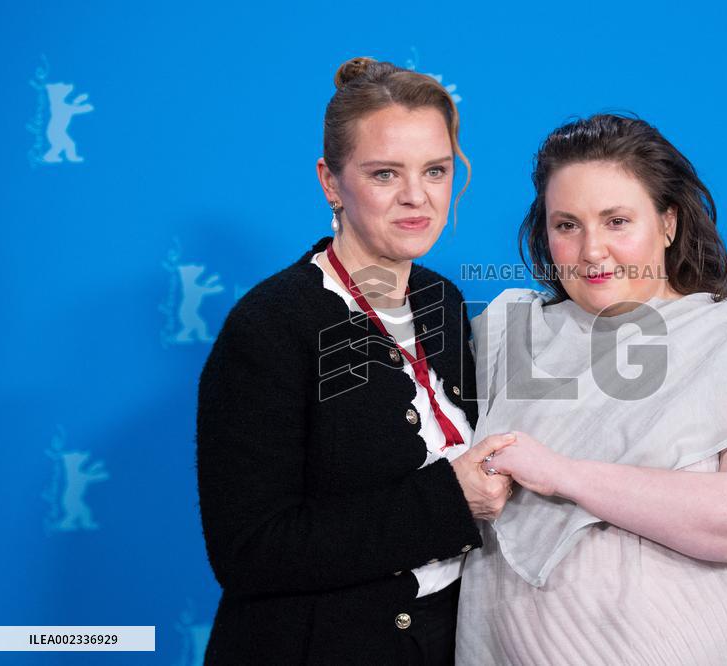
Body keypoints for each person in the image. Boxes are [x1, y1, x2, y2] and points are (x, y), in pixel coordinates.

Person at [456, 114, 727, 665]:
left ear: (668, 222)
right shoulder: (509, 333)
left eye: (617, 221)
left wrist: (563, 474)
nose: (592, 249)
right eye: (567, 225)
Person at [196, 56, 513, 665]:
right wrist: (449, 501)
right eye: (384, 173)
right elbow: (251, 551)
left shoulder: (441, 299)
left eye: (436, 170)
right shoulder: (270, 325)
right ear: (331, 182)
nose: (416, 196)